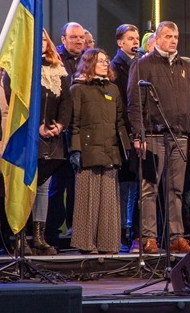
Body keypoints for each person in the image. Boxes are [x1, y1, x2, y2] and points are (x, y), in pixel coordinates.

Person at [127, 21, 190, 253]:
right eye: (168, 36)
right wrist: (138, 135)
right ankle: (149, 238)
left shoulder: (186, 67)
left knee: (176, 190)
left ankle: (175, 237)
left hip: (179, 136)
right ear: (157, 39)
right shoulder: (143, 65)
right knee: (149, 188)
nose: (173, 40)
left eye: (176, 37)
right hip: (152, 135)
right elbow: (134, 102)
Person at [68, 49, 126, 254]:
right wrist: (75, 149)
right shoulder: (78, 89)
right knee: (88, 200)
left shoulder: (113, 89)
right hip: (87, 151)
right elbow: (73, 123)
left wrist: (125, 149)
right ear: (89, 64)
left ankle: (108, 244)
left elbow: (120, 123)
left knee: (108, 201)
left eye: (106, 60)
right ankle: (86, 243)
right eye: (100, 61)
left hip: (110, 151)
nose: (105, 64)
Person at [29, 29, 71, 255]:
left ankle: (39, 236)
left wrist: (60, 125)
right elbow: (21, 102)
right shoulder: (24, 68)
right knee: (26, 186)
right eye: (39, 39)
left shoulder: (57, 68)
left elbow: (66, 101)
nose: (43, 42)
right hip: (29, 135)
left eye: (45, 38)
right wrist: (36, 126)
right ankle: (20, 235)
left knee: (44, 188)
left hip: (52, 136)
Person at [46, 22, 86, 245]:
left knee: (76, 186)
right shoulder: (56, 61)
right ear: (63, 39)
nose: (78, 41)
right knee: (56, 186)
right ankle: (52, 232)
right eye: (73, 37)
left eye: (81, 37)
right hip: (59, 133)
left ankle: (75, 229)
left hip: (79, 134)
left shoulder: (87, 60)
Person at [109, 24, 140, 252]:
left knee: (137, 184)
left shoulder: (141, 64)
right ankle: (120, 230)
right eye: (130, 38)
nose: (135, 42)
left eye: (137, 38)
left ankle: (133, 230)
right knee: (123, 185)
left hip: (138, 132)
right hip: (122, 133)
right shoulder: (115, 67)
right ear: (120, 43)